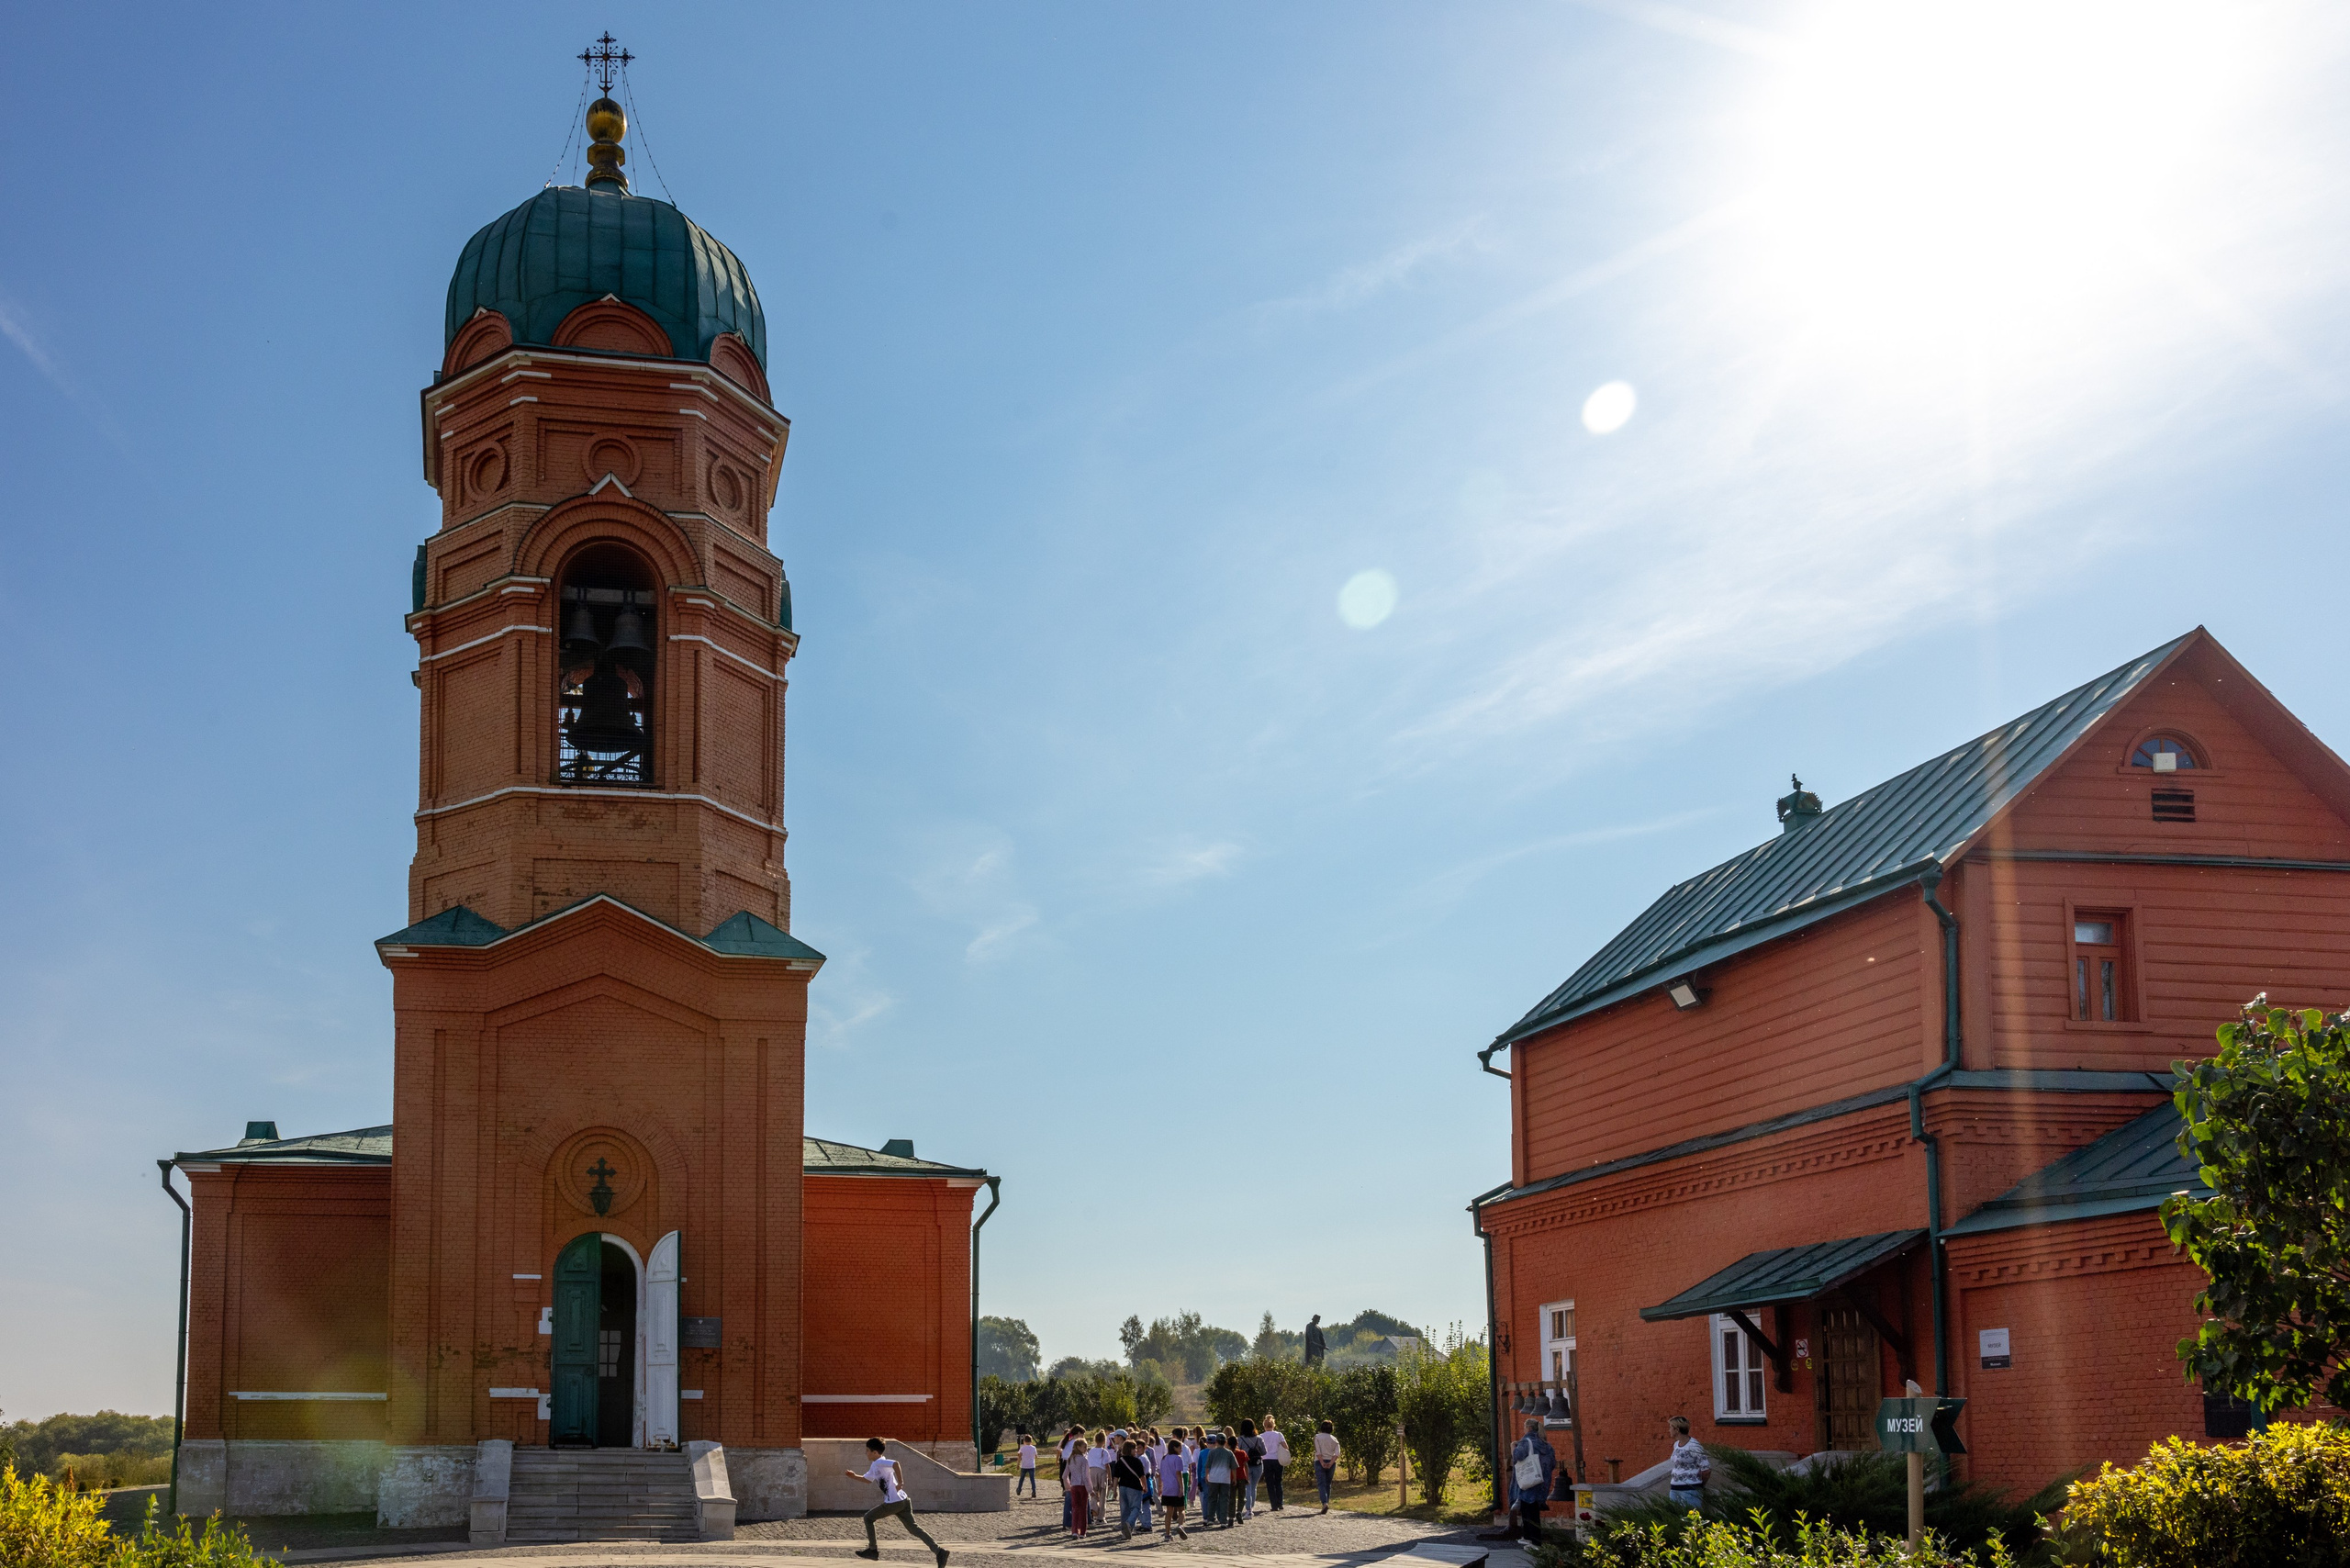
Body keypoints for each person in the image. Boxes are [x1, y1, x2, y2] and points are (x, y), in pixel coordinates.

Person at [846, 1437, 949, 1567]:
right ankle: (939, 1551)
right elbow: (868, 1479)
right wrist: (854, 1476)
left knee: (868, 1518)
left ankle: (873, 1550)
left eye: (867, 1450)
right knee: (914, 1529)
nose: (865, 1453)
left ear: (875, 1452)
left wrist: (901, 1482)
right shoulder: (875, 1465)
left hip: (893, 1502)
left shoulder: (879, 1463)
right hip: (903, 1501)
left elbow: (896, 1464)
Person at [1507, 1417, 1558, 1542]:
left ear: (1529, 1428)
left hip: (1529, 1479)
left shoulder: (1526, 1442)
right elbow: (1553, 1463)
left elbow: (1518, 1456)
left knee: (1527, 1509)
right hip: (1541, 1480)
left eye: (1524, 1427)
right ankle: (1532, 1537)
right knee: (1534, 1509)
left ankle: (1532, 1538)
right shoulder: (1546, 1444)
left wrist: (1513, 1447)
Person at [1666, 1416, 1709, 1512]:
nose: (1669, 1430)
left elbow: (1706, 1469)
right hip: (1675, 1487)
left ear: (1677, 1429)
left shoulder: (1694, 1446)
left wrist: (1700, 1485)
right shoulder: (1676, 1444)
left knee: (1691, 1518)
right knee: (1675, 1516)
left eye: (1670, 1427)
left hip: (1690, 1489)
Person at [1112, 1439, 1150, 1540]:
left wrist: (1114, 1490)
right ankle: (1129, 1523)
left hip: (1123, 1487)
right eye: (1134, 1449)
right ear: (1130, 1450)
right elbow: (1142, 1476)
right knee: (1136, 1508)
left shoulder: (1120, 1461)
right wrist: (1145, 1487)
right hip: (1134, 1487)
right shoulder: (1137, 1461)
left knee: (1124, 1511)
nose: (1136, 1451)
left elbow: (1116, 1477)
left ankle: (1125, 1534)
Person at [1158, 1429, 1191, 1540]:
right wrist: (1182, 1488)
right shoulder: (1178, 1458)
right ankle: (1180, 1525)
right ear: (1174, 1448)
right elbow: (1178, 1474)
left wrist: (1160, 1486)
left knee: (1169, 1512)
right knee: (1181, 1510)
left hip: (1167, 1488)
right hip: (1176, 1487)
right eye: (1179, 1448)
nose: (1181, 1450)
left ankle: (1167, 1534)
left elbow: (1161, 1474)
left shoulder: (1164, 1458)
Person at [1200, 1431, 1235, 1526]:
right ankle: (1223, 1520)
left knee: (1212, 1499)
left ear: (1216, 1442)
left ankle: (1210, 1519)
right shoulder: (1229, 1453)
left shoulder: (1212, 1452)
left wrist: (1207, 1475)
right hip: (1225, 1479)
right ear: (1225, 1442)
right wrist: (1234, 1478)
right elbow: (1233, 1467)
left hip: (1213, 1478)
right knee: (1224, 1499)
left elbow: (1207, 1466)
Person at [1260, 1415, 1290, 1512]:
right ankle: (1280, 1502)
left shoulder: (1261, 1436)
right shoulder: (1279, 1435)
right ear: (1274, 1425)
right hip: (1277, 1460)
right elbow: (1286, 1447)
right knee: (1278, 1481)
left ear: (1264, 1426)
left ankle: (1273, 1504)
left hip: (1266, 1460)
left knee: (1270, 1483)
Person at [1312, 1418, 1340, 1513]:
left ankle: (1324, 1503)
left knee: (1321, 1483)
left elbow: (1318, 1451)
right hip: (1331, 1461)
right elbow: (1337, 1453)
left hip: (1320, 1461)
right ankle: (1326, 1503)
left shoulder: (1317, 1437)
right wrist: (1331, 1462)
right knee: (1328, 1484)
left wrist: (1322, 1462)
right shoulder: (1334, 1439)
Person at [1237, 1420, 1263, 1520]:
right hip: (1257, 1464)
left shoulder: (1240, 1439)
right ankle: (1251, 1508)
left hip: (1245, 1465)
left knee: (1247, 1487)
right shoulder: (1259, 1438)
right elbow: (1264, 1452)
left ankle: (1248, 1510)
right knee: (1254, 1487)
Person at [1015, 1432, 1037, 1498]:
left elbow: (1019, 1456)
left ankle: (1019, 1489)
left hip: (1024, 1466)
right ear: (1031, 1441)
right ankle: (1034, 1491)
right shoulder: (1033, 1448)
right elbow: (1036, 1456)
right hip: (1031, 1465)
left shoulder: (1022, 1448)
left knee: (1021, 1479)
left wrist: (1018, 1464)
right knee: (1032, 1479)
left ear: (1024, 1441)